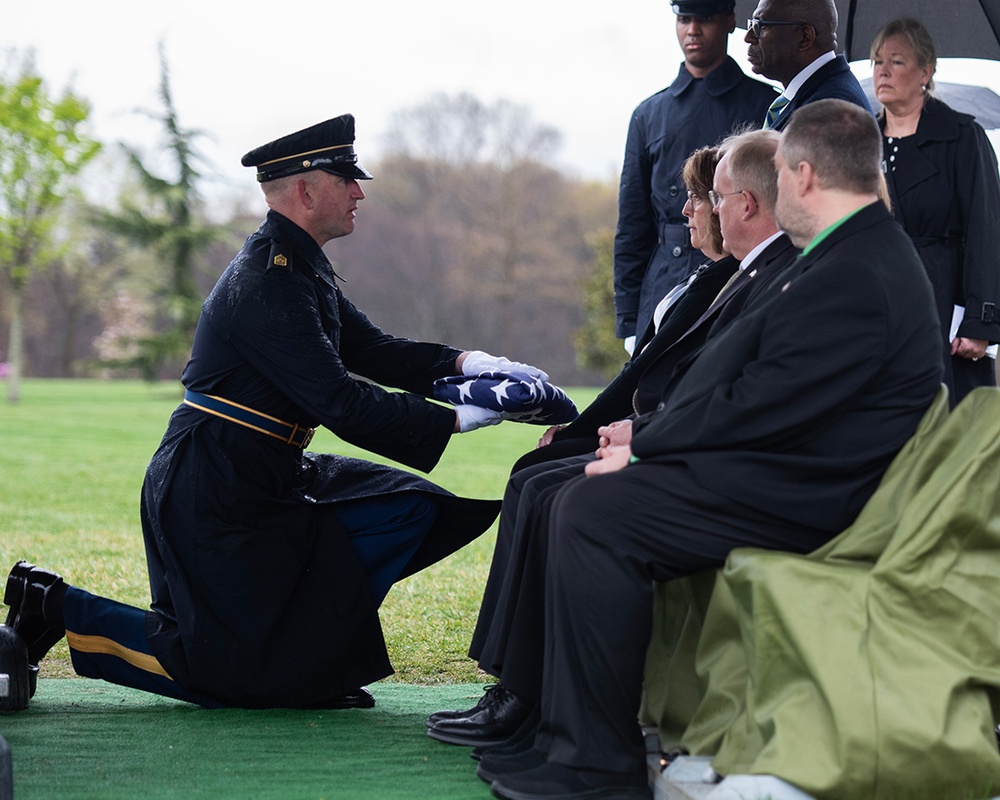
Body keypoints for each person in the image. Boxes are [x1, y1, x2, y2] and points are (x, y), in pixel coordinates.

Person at [1, 114, 551, 710]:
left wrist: (473, 364)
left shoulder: (300, 264)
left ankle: (307, 669)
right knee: (217, 671)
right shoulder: (268, 278)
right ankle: (51, 604)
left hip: (265, 470)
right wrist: (459, 417)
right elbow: (337, 398)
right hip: (212, 485)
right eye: (347, 179)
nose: (360, 191)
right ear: (307, 190)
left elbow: (374, 350)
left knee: (405, 512)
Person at [484, 99, 943, 800]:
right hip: (792, 469)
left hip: (819, 495)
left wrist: (647, 446)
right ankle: (564, 739)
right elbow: (748, 381)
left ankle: (596, 762)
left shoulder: (854, 267)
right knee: (585, 499)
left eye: (782, 178)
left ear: (806, 175)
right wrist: (643, 438)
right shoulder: (843, 250)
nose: (772, 193)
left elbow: (765, 403)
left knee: (595, 513)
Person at [425, 130, 799, 754]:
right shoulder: (733, 276)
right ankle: (516, 687)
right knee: (536, 475)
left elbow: (713, 393)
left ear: (746, 205)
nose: (688, 212)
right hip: (668, 439)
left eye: (705, 198)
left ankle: (531, 695)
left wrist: (640, 438)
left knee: (549, 488)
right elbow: (658, 376)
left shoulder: (764, 275)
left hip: (694, 460)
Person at [614, 0, 776, 353]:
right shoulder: (648, 115)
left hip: (735, 274)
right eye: (684, 19)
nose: (693, 30)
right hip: (663, 280)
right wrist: (629, 318)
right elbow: (633, 224)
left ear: (729, 20)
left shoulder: (764, 104)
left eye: (704, 19)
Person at [871, 17, 1000, 404]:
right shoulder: (861, 142)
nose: (883, 71)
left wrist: (981, 322)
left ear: (925, 71)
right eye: (878, 61)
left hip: (945, 305)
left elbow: (987, 230)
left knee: (947, 426)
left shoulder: (963, 136)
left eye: (897, 61)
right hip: (878, 300)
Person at [745, 0, 871, 130]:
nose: (748, 37)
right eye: (752, 25)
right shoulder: (820, 96)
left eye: (760, 26)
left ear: (804, 37)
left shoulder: (829, 112)